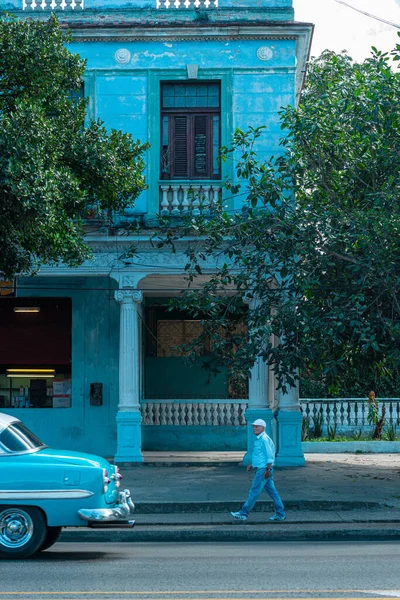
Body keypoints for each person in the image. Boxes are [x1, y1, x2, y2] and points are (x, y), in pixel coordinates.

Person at [230, 419, 286, 522]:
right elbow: (260, 455)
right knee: (273, 492)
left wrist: (268, 469)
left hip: (263, 470)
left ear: (263, 428)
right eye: (253, 426)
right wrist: (252, 464)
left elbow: (269, 456)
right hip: (262, 468)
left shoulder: (264, 439)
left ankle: (243, 513)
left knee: (254, 491)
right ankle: (280, 513)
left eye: (257, 426)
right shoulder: (260, 439)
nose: (254, 428)